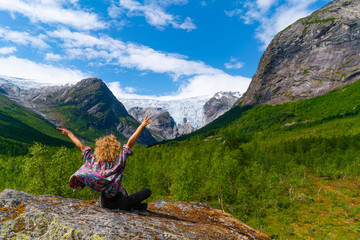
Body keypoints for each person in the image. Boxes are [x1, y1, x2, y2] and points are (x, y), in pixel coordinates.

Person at [57, 115, 152, 211]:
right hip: (120, 203)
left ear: (99, 149)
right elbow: (130, 143)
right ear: (114, 148)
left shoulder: (92, 161)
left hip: (104, 203)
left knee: (123, 190)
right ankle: (134, 206)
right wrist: (141, 126)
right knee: (147, 191)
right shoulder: (119, 161)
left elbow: (81, 147)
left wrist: (69, 134)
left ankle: (137, 206)